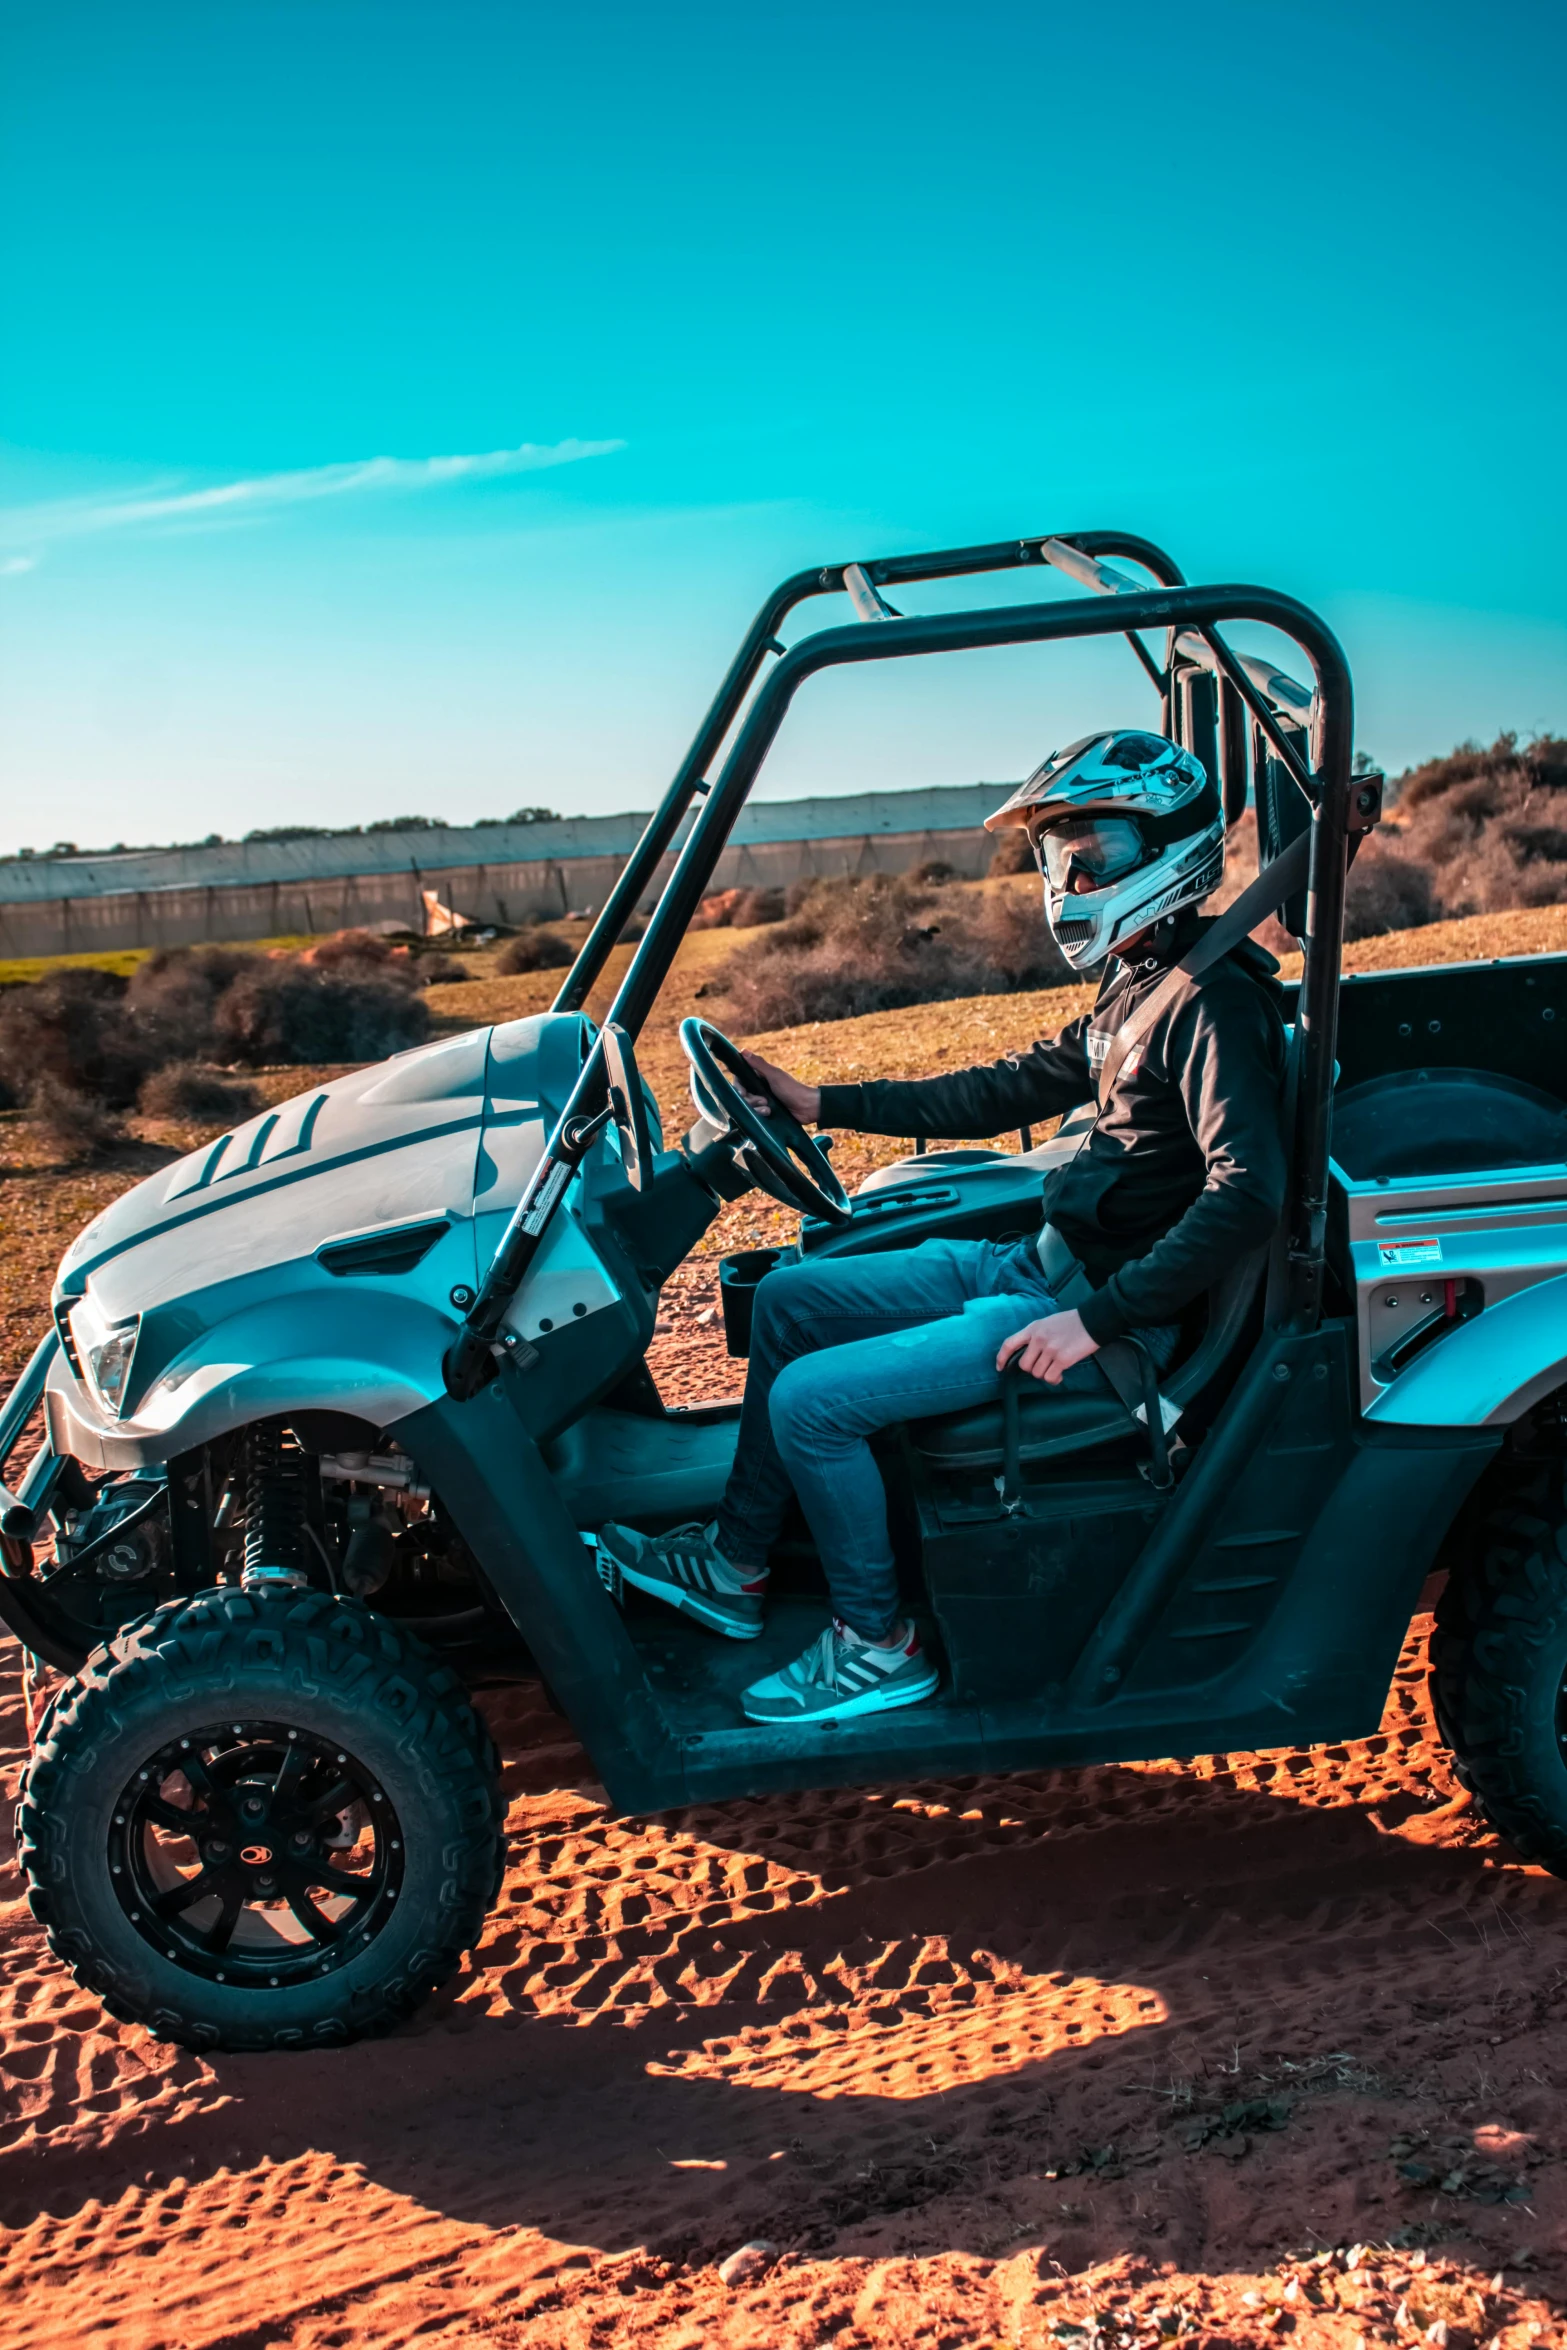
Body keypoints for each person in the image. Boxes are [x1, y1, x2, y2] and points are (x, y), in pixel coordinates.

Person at [600, 730, 1287, 1726]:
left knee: (809, 1404)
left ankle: (879, 1644)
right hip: (1032, 1267)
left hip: (1105, 1323)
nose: (1071, 877)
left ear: (1166, 853)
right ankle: (734, 1565)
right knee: (790, 1300)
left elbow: (1247, 1191)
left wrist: (1095, 1322)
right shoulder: (1140, 981)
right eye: (1062, 856)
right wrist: (819, 1100)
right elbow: (998, 1087)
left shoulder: (1212, 1003)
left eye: (1093, 853)